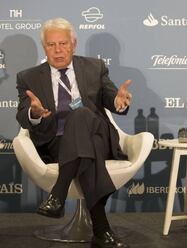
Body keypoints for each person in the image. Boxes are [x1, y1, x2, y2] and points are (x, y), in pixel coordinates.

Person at [16, 18, 132, 248]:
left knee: (81, 115)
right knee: (90, 151)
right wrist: (34, 112)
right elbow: (22, 115)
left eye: (63, 43)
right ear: (44, 47)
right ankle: (101, 231)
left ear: (74, 44)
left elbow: (112, 99)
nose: (58, 50)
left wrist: (119, 102)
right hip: (56, 143)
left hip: (97, 132)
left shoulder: (94, 67)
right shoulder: (28, 77)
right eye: (51, 45)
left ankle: (57, 195)